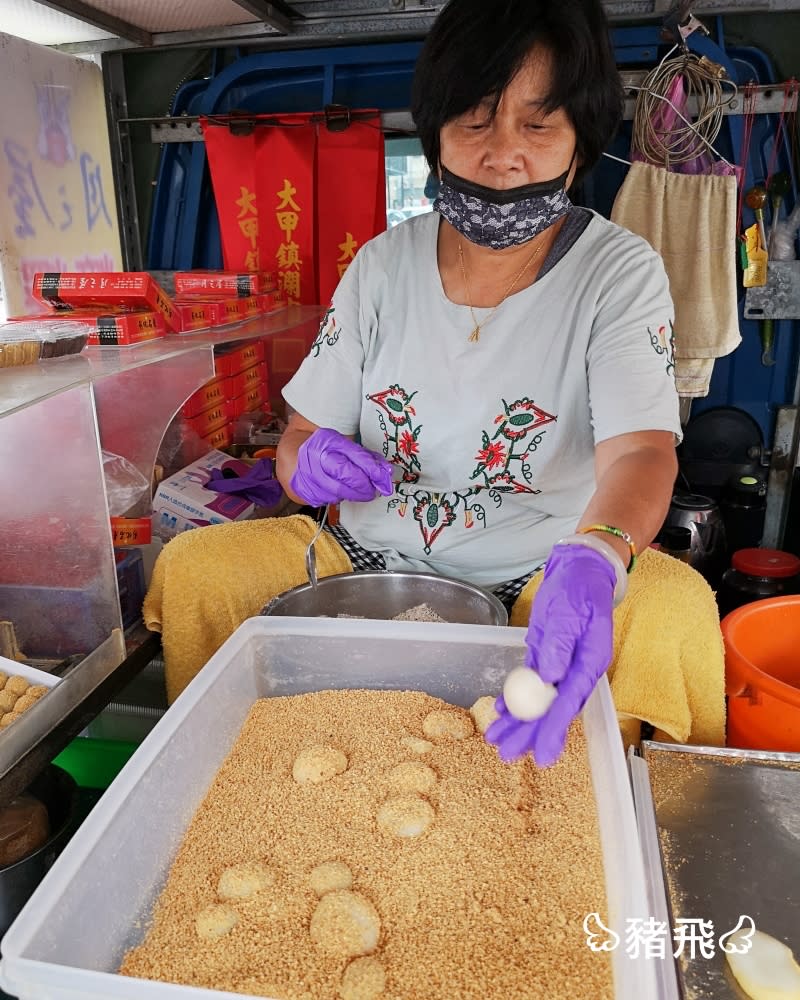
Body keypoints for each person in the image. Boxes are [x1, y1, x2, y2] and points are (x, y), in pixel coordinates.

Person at [275, 0, 683, 768]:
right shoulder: (381, 266)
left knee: (676, 616)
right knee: (199, 573)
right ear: (433, 137)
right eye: (475, 121)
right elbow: (295, 443)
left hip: (543, 566)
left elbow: (641, 453)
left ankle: (587, 811)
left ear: (579, 143)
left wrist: (598, 552)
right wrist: (309, 463)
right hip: (367, 553)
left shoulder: (618, 273)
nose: (502, 155)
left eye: (537, 125)